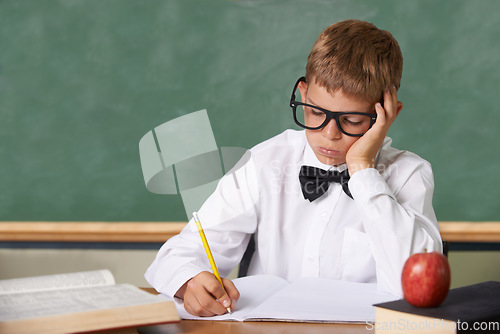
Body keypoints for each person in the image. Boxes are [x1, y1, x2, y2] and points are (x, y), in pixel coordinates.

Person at [145, 19, 442, 317]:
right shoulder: (263, 163)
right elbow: (178, 255)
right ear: (303, 94)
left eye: (351, 121)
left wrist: (363, 170)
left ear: (387, 115)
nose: (329, 134)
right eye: (315, 112)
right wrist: (190, 281)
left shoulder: (409, 176)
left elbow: (416, 290)